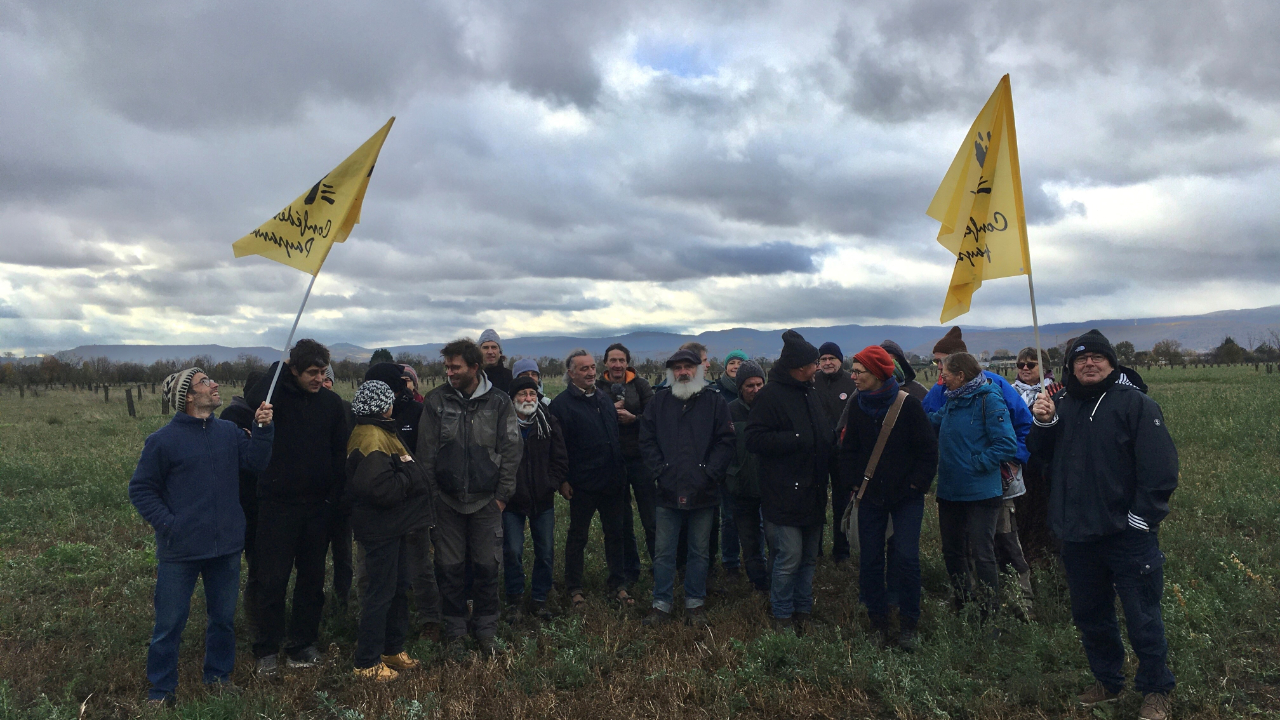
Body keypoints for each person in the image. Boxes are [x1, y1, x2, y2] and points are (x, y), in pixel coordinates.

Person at [1029, 330, 1178, 720]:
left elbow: (1160, 470)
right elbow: (1039, 459)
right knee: (1091, 616)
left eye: (1098, 358)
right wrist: (1042, 424)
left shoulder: (1137, 405)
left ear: (1112, 364)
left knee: (1143, 616)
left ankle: (1157, 689)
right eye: (1081, 359)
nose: (1089, 364)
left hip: (1126, 535)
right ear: (1070, 367)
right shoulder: (1058, 403)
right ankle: (1107, 681)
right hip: (1076, 534)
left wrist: (1140, 519)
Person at [129, 368, 274, 705]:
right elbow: (141, 489)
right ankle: (161, 691)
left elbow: (257, 462)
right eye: (205, 382)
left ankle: (218, 679)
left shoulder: (228, 432)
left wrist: (263, 429)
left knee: (222, 620)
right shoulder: (162, 441)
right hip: (179, 551)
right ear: (188, 397)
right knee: (169, 625)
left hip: (225, 547)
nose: (215, 385)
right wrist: (170, 525)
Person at [245, 340, 349, 675]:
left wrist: (332, 499)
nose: (319, 378)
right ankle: (267, 649)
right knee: (271, 580)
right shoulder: (275, 399)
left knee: (312, 580)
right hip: (276, 506)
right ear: (293, 370)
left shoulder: (332, 405)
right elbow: (253, 397)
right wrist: (281, 364)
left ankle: (302, 644)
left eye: (323, 372)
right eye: (311, 372)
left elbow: (339, 457)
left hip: (317, 507)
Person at [417, 339, 520, 655]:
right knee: (449, 569)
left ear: (475, 367)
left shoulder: (500, 403)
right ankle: (456, 633)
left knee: (487, 567)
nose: (449, 372)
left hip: (486, 501)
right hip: (446, 503)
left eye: (455, 367)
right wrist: (433, 496)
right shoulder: (436, 401)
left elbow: (512, 449)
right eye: (447, 366)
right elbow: (426, 454)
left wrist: (501, 497)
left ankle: (487, 631)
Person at [838, 347, 937, 651]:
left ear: (879, 373)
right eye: (853, 370)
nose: (852, 376)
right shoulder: (857, 406)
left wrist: (915, 486)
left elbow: (927, 451)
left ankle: (909, 624)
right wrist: (855, 482)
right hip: (869, 497)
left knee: (906, 558)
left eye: (859, 371)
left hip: (906, 498)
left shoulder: (908, 406)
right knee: (869, 559)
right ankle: (877, 623)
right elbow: (848, 449)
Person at [344, 380, 433, 682]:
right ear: (384, 406)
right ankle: (366, 662)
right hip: (380, 530)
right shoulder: (370, 437)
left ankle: (391, 649)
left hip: (395, 527)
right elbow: (379, 489)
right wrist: (409, 477)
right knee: (380, 594)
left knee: (397, 589)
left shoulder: (381, 431)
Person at [639, 349, 735, 627]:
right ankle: (661, 604)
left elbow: (726, 441)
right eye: (678, 368)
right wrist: (661, 471)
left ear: (699, 370)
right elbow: (646, 441)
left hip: (704, 492)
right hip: (667, 492)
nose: (683, 372)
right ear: (671, 372)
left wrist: (710, 473)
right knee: (664, 551)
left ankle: (695, 603)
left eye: (688, 367)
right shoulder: (659, 403)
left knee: (699, 551)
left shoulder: (715, 402)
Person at [745, 330, 832, 633]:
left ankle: (803, 613)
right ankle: (782, 616)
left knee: (808, 558)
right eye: (813, 363)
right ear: (798, 368)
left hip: (814, 491)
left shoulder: (811, 391)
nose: (818, 367)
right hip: (783, 494)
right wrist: (795, 439)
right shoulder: (769, 396)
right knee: (788, 558)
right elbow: (754, 439)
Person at [929, 352, 1018, 624]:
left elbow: (1006, 444)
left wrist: (977, 463)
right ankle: (963, 603)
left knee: (982, 553)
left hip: (982, 493)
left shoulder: (989, 399)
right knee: (953, 551)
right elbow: (934, 420)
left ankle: (990, 613)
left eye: (945, 374)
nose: (941, 379)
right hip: (950, 491)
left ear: (961, 375)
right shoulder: (953, 401)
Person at [549, 349, 633, 608]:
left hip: (612, 481)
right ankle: (574, 588)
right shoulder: (561, 405)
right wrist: (562, 480)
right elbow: (557, 447)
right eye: (583, 369)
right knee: (578, 536)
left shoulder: (603, 399)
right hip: (582, 484)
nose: (590, 372)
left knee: (615, 534)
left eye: (592, 367)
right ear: (571, 373)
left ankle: (617, 584)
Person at [361, 362, 439, 636]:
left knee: (419, 566)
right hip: (380, 510)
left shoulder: (417, 412)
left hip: (412, 505)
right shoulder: (362, 424)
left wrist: (416, 484)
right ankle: (379, 625)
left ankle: (430, 620)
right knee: (375, 573)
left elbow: (426, 454)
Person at [503, 375, 568, 621]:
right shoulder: (503, 425)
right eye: (522, 394)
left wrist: (550, 483)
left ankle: (540, 599)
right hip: (512, 499)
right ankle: (515, 599)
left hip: (542, 499)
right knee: (512, 551)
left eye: (532, 394)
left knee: (545, 550)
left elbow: (560, 458)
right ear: (513, 398)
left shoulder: (548, 422)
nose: (528, 398)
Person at [597, 342, 657, 586]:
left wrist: (634, 419)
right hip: (612, 462)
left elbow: (654, 419)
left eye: (621, 360)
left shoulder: (640, 385)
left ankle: (660, 566)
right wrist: (609, 413)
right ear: (606, 363)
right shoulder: (598, 388)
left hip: (641, 459)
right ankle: (629, 571)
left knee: (651, 518)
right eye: (613, 360)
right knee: (622, 521)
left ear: (628, 363)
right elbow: (590, 419)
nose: (617, 364)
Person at [218, 370, 265, 638]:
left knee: (260, 565)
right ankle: (248, 623)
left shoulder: (266, 414)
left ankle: (259, 620)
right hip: (242, 503)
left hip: (260, 503)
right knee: (238, 567)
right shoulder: (233, 416)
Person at [726, 360, 769, 593]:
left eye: (759, 384)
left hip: (770, 486)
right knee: (749, 540)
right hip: (741, 487)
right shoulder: (730, 411)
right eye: (750, 385)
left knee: (775, 540)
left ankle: (775, 583)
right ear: (740, 387)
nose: (755, 389)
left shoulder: (773, 408)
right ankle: (758, 584)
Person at [814, 341, 857, 562]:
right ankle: (815, 549)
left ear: (841, 360)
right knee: (816, 500)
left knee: (842, 501)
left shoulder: (852, 383)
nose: (828, 362)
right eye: (823, 359)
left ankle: (842, 551)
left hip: (843, 453)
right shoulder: (812, 382)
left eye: (832, 358)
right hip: (818, 452)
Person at [478, 329, 513, 394]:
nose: (490, 352)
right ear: (479, 352)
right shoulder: (474, 377)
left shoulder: (511, 377)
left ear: (500, 352)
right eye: (485, 348)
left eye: (494, 347)